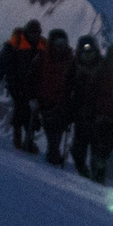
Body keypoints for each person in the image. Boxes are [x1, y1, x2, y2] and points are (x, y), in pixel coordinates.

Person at [0, 20, 45, 152]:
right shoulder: (16, 44)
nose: (35, 36)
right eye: (32, 33)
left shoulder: (41, 45)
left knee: (30, 111)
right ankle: (22, 140)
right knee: (22, 108)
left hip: (33, 85)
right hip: (16, 83)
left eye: (37, 33)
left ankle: (26, 140)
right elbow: (2, 63)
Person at [69, 36, 112, 180]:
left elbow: (110, 90)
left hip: (98, 116)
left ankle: (97, 179)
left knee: (98, 151)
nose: (88, 55)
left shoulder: (104, 67)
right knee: (79, 150)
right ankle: (83, 175)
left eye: (90, 52)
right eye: (85, 52)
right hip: (80, 114)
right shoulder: (74, 67)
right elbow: (67, 89)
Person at [36, 30, 76, 165]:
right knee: (53, 130)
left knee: (56, 130)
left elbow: (74, 82)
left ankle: (53, 154)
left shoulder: (70, 60)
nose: (61, 46)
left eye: (63, 43)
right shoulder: (43, 58)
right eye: (58, 42)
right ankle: (53, 154)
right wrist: (33, 97)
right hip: (46, 102)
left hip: (62, 103)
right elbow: (33, 77)